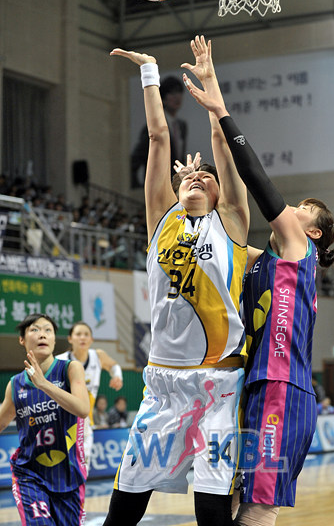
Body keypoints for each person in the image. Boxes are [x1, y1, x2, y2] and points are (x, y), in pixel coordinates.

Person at [183, 40, 334, 526]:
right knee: (233, 501)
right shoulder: (259, 260)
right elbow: (232, 191)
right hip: (254, 386)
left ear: (313, 232)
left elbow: (255, 178)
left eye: (303, 210)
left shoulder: (299, 250)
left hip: (283, 388)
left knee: (257, 506)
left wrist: (223, 110)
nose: (291, 208)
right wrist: (212, 100)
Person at [104, 36, 249, 526]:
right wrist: (149, 71)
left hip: (218, 386)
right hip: (163, 385)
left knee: (210, 507)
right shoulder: (161, 219)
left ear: (221, 193)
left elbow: (223, 149)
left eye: (206, 178)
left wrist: (211, 89)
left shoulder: (231, 222)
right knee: (124, 507)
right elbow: (158, 138)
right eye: (189, 176)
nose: (197, 177)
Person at [0, 313, 89, 526]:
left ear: (54, 339)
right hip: (29, 473)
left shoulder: (70, 368)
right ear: (22, 339)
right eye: (35, 330)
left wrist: (44, 384)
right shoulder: (16, 384)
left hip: (68, 474)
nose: (43, 334)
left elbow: (83, 409)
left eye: (48, 330)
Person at [56, 321, 123, 471]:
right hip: (63, 421)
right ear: (70, 339)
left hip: (86, 421)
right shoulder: (59, 360)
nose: (82, 337)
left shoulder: (97, 356)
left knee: (82, 468)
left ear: (91, 339)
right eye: (78, 334)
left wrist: (117, 376)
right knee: (62, 468)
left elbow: (113, 365)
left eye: (86, 334)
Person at [130, 75, 188, 188]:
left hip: (178, 185)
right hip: (159, 185)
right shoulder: (153, 125)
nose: (177, 97)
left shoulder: (182, 126)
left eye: (179, 92)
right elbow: (136, 158)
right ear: (164, 98)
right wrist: (137, 185)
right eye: (172, 93)